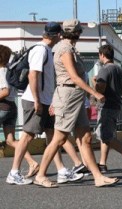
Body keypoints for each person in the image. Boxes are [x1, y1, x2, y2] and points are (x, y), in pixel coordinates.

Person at [34, 19, 118, 188]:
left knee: (85, 137)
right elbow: (73, 77)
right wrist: (94, 93)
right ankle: (41, 175)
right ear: (78, 32)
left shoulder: (68, 47)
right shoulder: (65, 49)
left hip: (75, 96)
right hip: (68, 96)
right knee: (59, 138)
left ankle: (97, 177)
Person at [6, 22, 85, 186]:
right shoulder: (40, 50)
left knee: (52, 135)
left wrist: (50, 100)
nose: (62, 37)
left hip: (45, 100)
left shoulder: (47, 50)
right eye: (61, 34)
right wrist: (37, 100)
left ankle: (62, 171)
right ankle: (14, 172)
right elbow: (33, 76)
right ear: (57, 35)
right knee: (27, 135)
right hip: (35, 100)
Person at [93, 44, 122, 173]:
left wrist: (94, 82)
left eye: (99, 55)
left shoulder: (104, 70)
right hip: (116, 104)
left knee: (104, 135)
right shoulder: (119, 69)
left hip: (106, 105)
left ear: (102, 55)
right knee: (106, 134)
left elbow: (100, 89)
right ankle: (102, 164)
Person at [0, 44, 40, 178]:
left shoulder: (1, 71)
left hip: (2, 106)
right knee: (10, 141)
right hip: (12, 107)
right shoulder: (10, 71)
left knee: (11, 140)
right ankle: (32, 163)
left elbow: (5, 91)